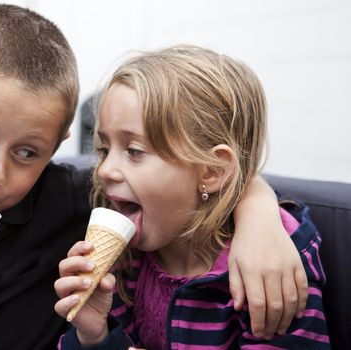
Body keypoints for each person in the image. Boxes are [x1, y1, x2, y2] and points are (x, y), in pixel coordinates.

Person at [0, 5, 306, 349]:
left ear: (55, 151)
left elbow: (193, 183)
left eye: (27, 152)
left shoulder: (69, 198)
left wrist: (260, 218)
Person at [55, 45, 329, 349]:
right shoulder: (125, 260)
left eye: (134, 151)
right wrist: (94, 336)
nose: (105, 170)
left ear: (211, 170)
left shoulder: (268, 267)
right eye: (104, 150)